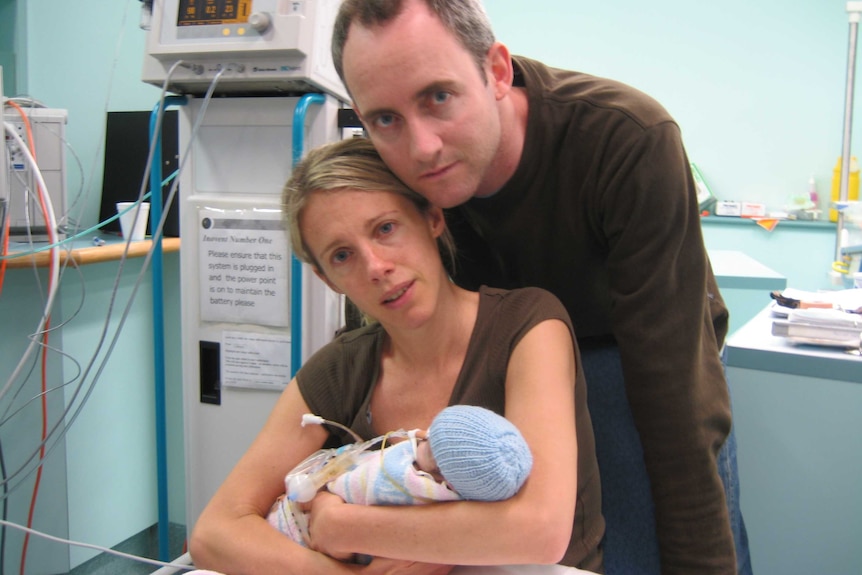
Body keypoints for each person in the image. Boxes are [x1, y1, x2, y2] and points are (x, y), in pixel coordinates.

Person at [330, 2, 752, 574]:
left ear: (498, 71)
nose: (422, 147)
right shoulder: (396, 175)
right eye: (386, 119)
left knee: (641, 534)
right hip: (503, 361)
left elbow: (673, 392)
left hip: (625, 352)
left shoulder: (625, 141)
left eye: (439, 98)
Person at [188, 137, 605, 575]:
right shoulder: (340, 369)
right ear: (327, 278)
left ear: (432, 217)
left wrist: (343, 525)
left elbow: (540, 531)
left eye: (385, 228)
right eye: (342, 255)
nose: (374, 267)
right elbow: (214, 532)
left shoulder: (527, 325)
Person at [268, 404, 534, 552]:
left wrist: (320, 488)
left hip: (296, 530)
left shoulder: (400, 483)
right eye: (431, 431)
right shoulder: (445, 475)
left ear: (446, 482)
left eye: (430, 444)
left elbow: (346, 487)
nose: (423, 435)